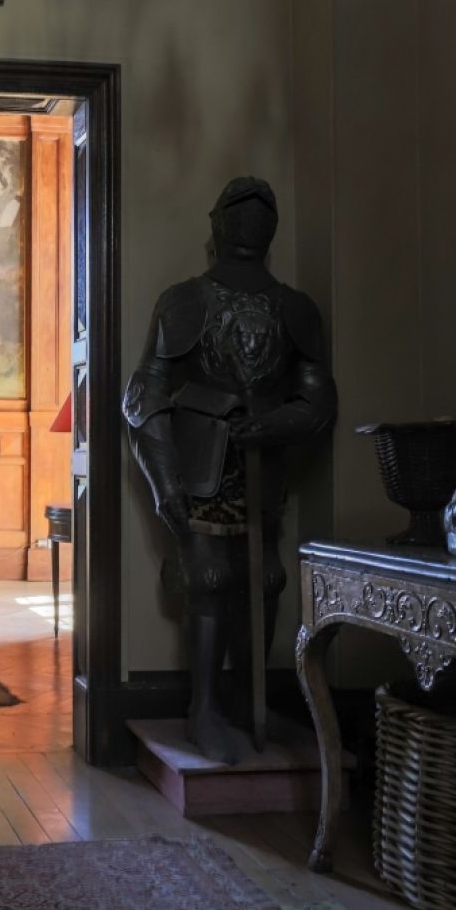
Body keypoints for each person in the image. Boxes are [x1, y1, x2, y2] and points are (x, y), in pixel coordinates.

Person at [123, 179, 337, 764]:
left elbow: (318, 400)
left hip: (262, 463)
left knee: (265, 581)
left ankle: (249, 701)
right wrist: (165, 480)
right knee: (210, 578)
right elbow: (145, 394)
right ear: (216, 226)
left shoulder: (295, 307)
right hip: (201, 461)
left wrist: (272, 427)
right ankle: (203, 708)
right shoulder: (184, 299)